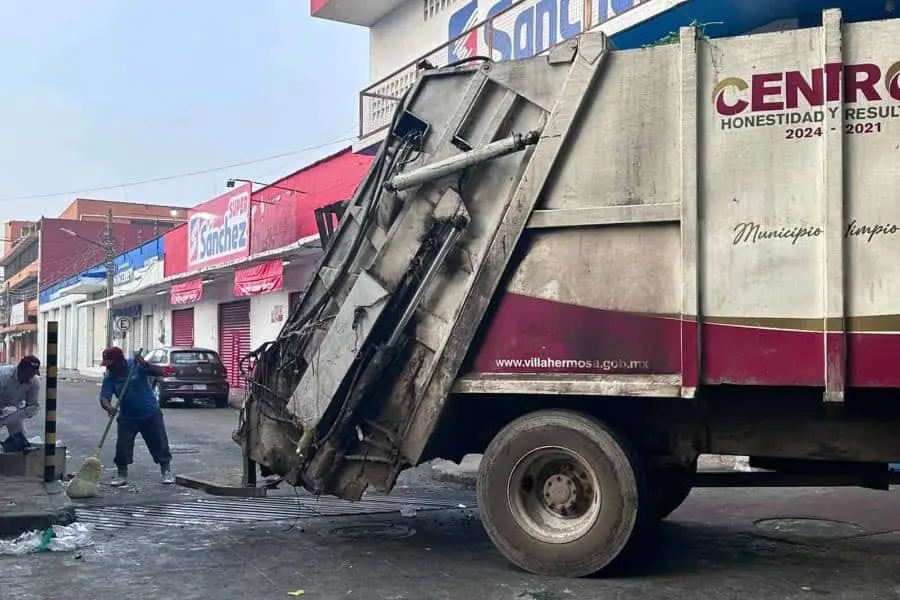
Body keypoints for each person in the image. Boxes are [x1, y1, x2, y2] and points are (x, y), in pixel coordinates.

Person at [99, 346, 174, 486]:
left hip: (150, 413)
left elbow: (163, 372)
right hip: (127, 416)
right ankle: (122, 474)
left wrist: (145, 363)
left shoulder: (136, 366)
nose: (109, 368)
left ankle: (166, 471)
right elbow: (104, 397)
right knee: (122, 446)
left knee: (159, 443)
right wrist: (109, 407)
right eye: (107, 365)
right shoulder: (110, 376)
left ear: (120, 361)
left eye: (111, 364)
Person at [0, 356, 41, 453]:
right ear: (20, 368)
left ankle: (18, 459)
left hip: (12, 410)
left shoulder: (35, 382)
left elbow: (32, 405)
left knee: (20, 440)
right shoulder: (3, 375)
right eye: (28, 373)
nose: (30, 376)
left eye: (32, 373)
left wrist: (30, 411)